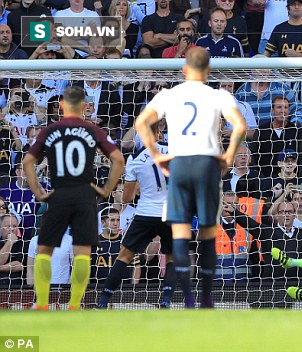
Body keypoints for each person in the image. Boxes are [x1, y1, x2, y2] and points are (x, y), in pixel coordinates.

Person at [134, 47, 247, 308]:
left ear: (184, 70)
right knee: (208, 231)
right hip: (207, 163)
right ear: (208, 71)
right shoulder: (219, 94)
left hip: (181, 163)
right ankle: (207, 297)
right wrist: (229, 156)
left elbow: (142, 122)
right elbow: (240, 126)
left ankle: (188, 298)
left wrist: (156, 154)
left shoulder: (168, 95)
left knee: (181, 232)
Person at [22, 86, 125, 310]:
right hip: (85, 195)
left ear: (61, 105)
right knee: (82, 253)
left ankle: (41, 304)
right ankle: (74, 305)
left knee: (44, 250)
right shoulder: (92, 130)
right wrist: (107, 189)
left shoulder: (50, 130)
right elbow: (118, 159)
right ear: (85, 106)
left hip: (59, 194)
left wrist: (39, 192)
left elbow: (27, 162)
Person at [96, 123, 176, 309]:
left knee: (124, 257)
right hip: (170, 212)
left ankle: (102, 302)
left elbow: (127, 197)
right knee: (171, 257)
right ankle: (166, 300)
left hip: (146, 213)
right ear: (158, 133)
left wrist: (142, 189)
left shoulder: (134, 158)